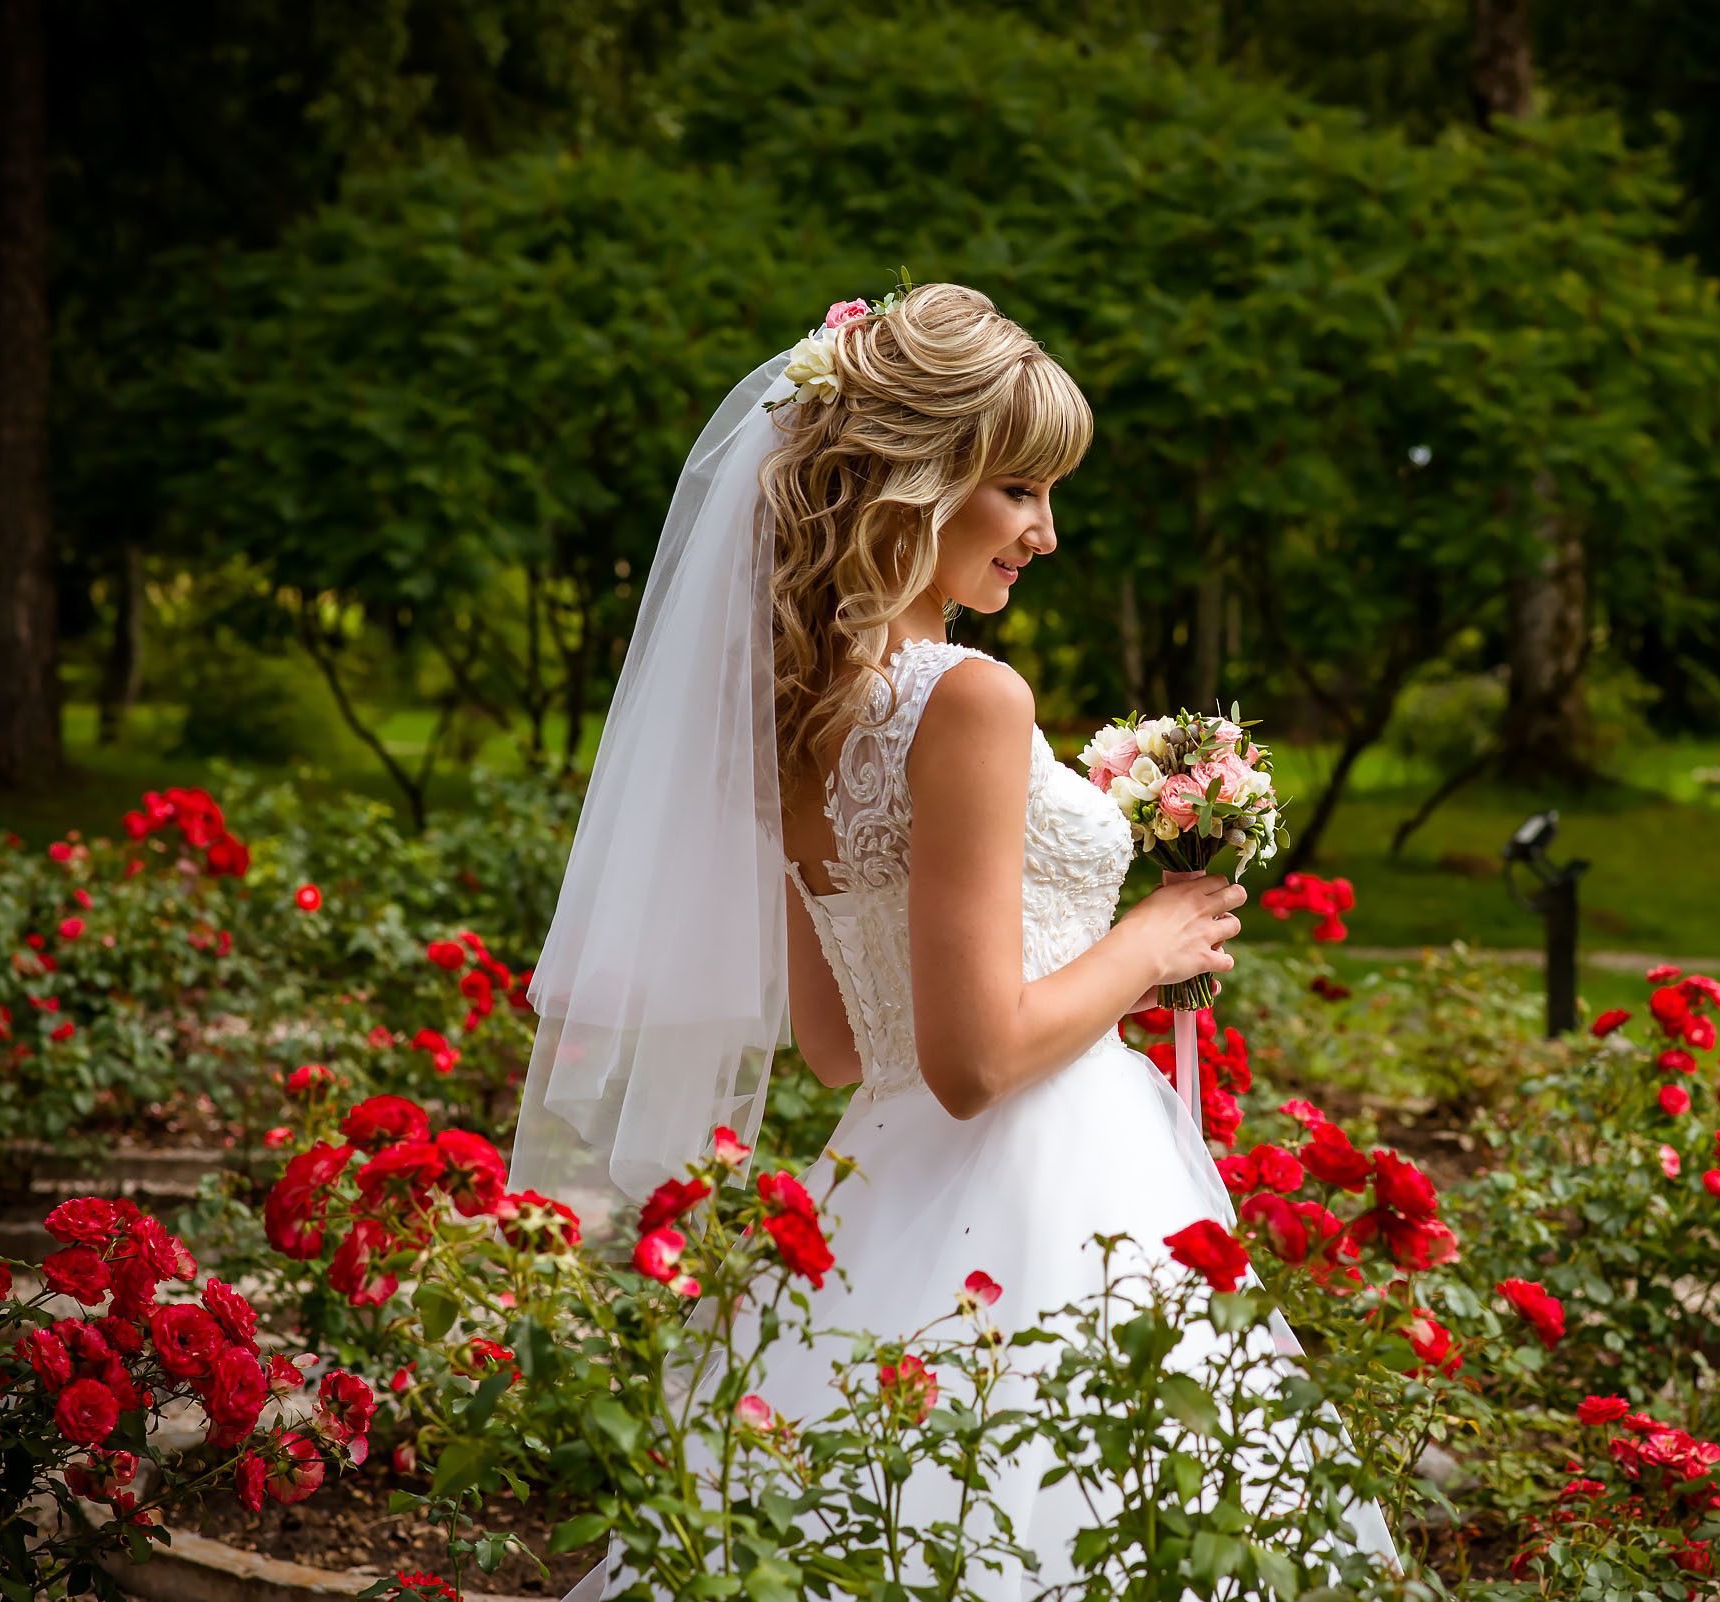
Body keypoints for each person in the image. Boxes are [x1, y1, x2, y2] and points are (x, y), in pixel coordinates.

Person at [513, 283, 1380, 1598]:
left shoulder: (797, 713)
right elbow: (973, 1064)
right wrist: (1149, 940)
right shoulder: (970, 699)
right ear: (915, 482)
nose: (1044, 532)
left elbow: (837, 1048)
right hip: (1048, 1181)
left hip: (883, 1181)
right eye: (1019, 488)